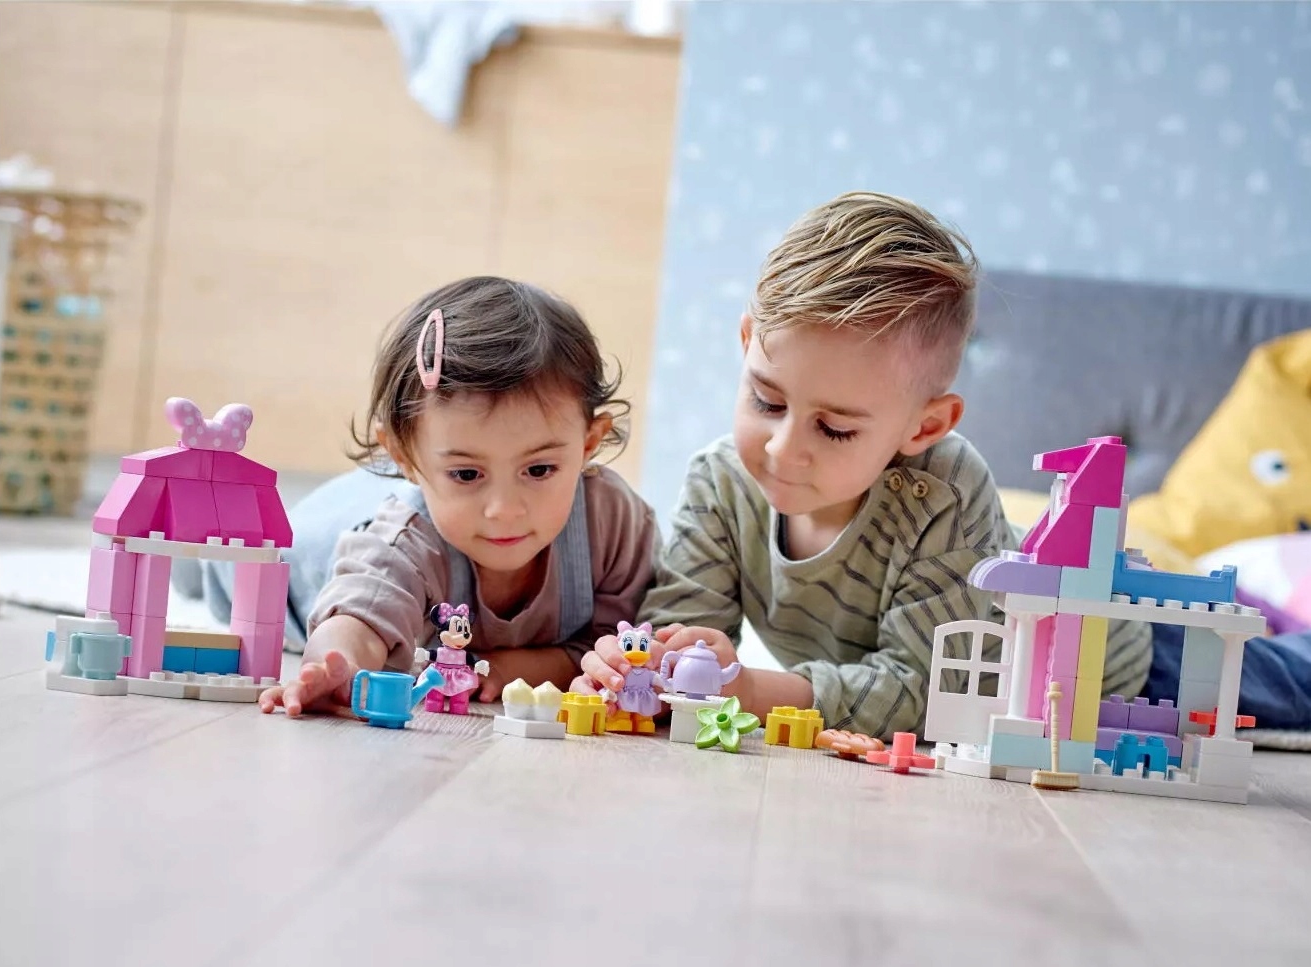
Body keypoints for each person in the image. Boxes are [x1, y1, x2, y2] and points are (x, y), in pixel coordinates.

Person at [575, 191, 1152, 739]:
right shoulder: (720, 483)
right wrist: (642, 667)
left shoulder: (945, 492)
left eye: (835, 429)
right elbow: (679, 630)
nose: (781, 449)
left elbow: (922, 693)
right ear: (748, 342)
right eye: (767, 401)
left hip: (1125, 673)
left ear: (924, 427)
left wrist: (748, 689)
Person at [258, 276, 658, 717]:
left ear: (588, 443)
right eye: (467, 473)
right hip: (305, 557)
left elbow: (607, 646)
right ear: (402, 455)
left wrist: (510, 668)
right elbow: (360, 616)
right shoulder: (405, 541)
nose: (504, 509)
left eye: (539, 469)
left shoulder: (613, 524)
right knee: (256, 554)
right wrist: (335, 667)